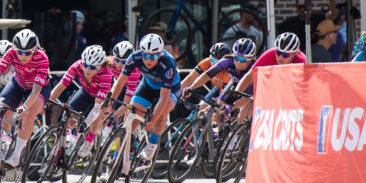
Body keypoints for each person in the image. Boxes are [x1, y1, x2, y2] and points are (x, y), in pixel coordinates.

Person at [0, 29, 52, 168]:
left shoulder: (42, 58)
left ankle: (16, 156)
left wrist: (25, 106)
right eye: (20, 52)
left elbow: (36, 90)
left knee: (28, 114)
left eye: (28, 53)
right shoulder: (11, 53)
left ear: (35, 49)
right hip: (18, 84)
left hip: (39, 89)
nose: (23, 56)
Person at [106, 33, 180, 161]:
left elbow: (163, 98)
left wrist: (151, 122)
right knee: (130, 117)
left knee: (160, 116)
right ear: (141, 52)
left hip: (170, 89)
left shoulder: (168, 64)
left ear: (160, 53)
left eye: (153, 56)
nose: (148, 60)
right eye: (145, 55)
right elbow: (120, 83)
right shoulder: (135, 57)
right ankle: (116, 158)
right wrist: (108, 103)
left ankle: (152, 144)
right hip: (148, 85)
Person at [182, 38, 258, 134]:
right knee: (216, 113)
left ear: (250, 59)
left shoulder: (253, 69)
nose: (238, 62)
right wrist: (192, 87)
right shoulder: (227, 61)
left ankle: (234, 139)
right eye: (237, 58)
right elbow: (207, 75)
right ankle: (217, 138)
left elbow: (246, 97)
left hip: (250, 91)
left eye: (243, 60)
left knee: (242, 115)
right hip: (234, 85)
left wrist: (231, 107)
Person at [49, 45, 112, 156]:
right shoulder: (78, 66)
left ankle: (88, 143)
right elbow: (61, 85)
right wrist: (48, 101)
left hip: (100, 99)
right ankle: (57, 153)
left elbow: (97, 107)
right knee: (69, 116)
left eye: (92, 68)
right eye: (85, 65)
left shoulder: (106, 74)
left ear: (100, 67)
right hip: (85, 92)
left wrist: (84, 125)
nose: (87, 70)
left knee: (97, 117)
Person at [232, 32, 306, 121]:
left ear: (294, 54)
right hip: (270, 83)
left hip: (289, 87)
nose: (280, 57)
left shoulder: (301, 61)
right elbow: (249, 76)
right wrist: (236, 93)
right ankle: (240, 130)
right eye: (278, 52)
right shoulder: (270, 54)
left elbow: (300, 87)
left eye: (286, 55)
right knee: (245, 107)